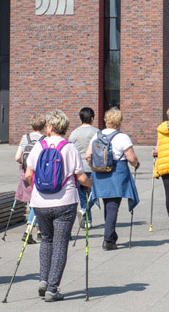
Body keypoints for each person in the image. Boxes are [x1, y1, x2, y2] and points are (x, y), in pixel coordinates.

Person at [25, 109, 91, 302]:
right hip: (65, 202)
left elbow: (29, 175)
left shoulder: (39, 146)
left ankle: (43, 280)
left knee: (46, 240)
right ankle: (52, 289)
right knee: (61, 244)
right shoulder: (69, 148)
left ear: (51, 127)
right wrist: (90, 184)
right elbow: (81, 177)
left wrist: (36, 191)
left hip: (40, 202)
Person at [84, 107, 140, 250]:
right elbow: (131, 158)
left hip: (100, 174)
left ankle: (112, 235)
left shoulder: (97, 135)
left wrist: (95, 167)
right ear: (119, 121)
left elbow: (88, 155)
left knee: (109, 205)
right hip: (117, 174)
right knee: (113, 206)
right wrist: (137, 164)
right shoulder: (122, 137)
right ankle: (108, 240)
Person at [15, 114, 47, 244]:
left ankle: (39, 232)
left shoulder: (25, 138)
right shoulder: (45, 139)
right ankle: (28, 230)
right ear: (44, 126)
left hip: (25, 173)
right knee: (37, 202)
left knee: (32, 202)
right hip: (39, 175)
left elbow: (17, 157)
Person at [69, 107, 100, 224]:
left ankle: (87, 221)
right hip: (94, 167)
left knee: (82, 195)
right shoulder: (97, 132)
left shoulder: (74, 133)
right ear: (92, 118)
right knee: (95, 193)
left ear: (80, 118)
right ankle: (84, 211)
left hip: (79, 168)